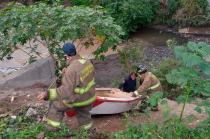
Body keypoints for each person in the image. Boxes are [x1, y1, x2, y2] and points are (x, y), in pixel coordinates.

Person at [37, 42, 96, 134]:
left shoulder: (71, 70)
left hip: (78, 98)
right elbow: (80, 75)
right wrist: (68, 70)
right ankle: (88, 131)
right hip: (89, 97)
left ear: (67, 56)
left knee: (56, 106)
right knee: (83, 113)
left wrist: (47, 94)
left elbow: (65, 92)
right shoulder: (87, 62)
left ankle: (51, 130)